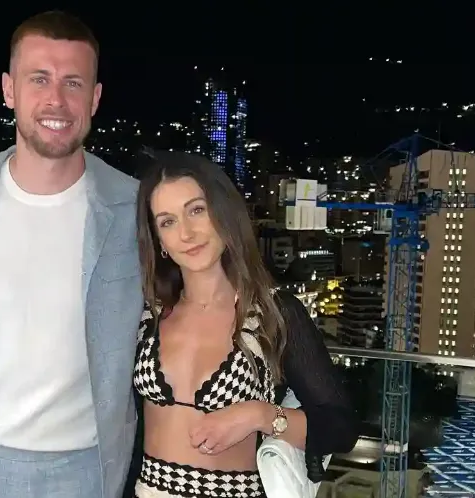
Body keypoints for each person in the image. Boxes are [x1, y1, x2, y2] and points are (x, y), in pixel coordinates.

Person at [0, 11, 143, 498]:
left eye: (74, 82)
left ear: (95, 98)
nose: (57, 99)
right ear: (9, 90)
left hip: (89, 466)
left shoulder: (134, 208)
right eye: (40, 79)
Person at [131, 150, 359, 497]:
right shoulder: (147, 314)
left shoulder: (272, 313)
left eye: (196, 210)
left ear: (223, 214)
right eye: (167, 221)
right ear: (159, 241)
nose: (187, 233)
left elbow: (341, 429)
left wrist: (259, 415)